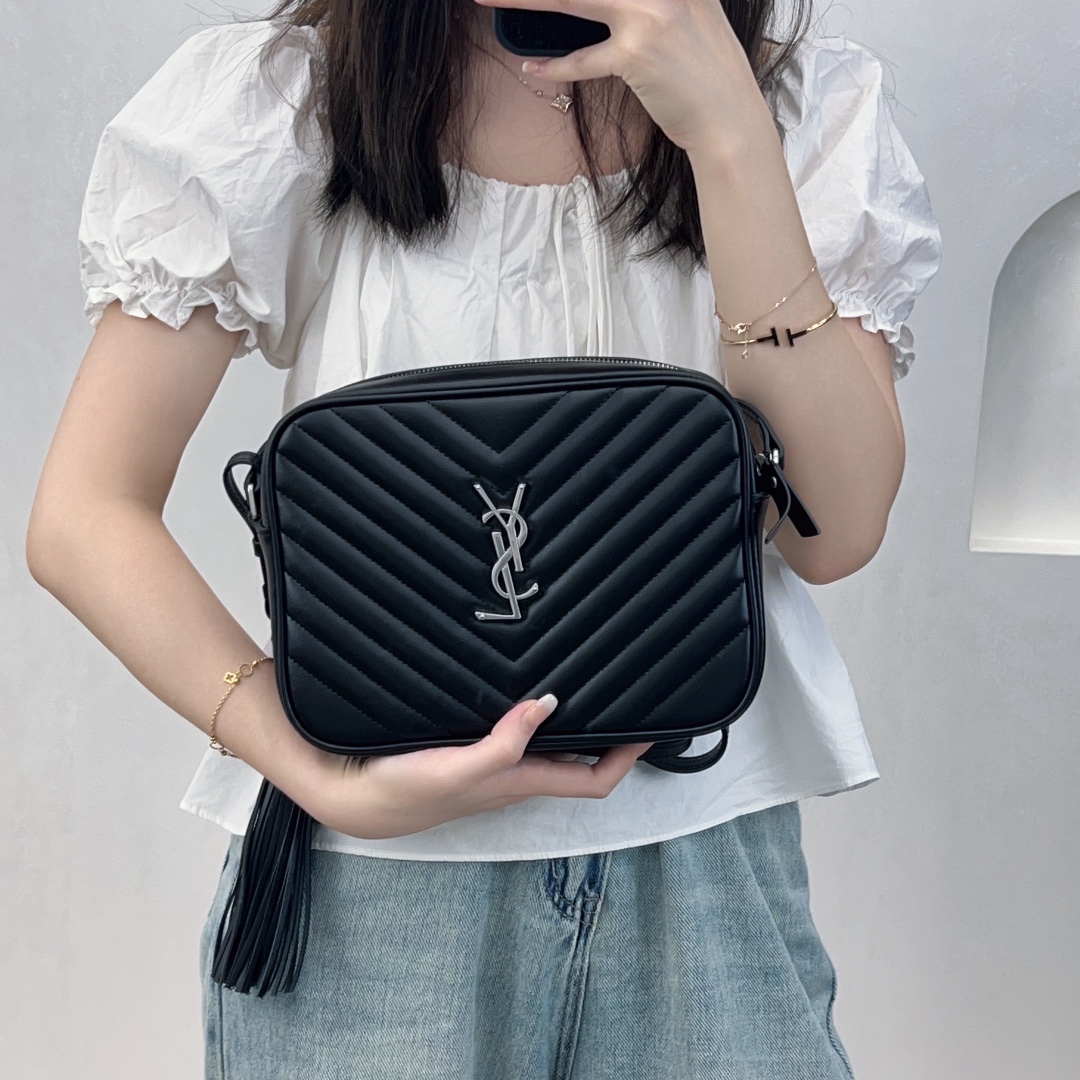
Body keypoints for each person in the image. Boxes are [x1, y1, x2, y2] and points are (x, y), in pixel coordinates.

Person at [26, 0, 941, 1076]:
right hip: (370, 886)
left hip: (707, 867)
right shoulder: (284, 101)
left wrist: (731, 135)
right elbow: (85, 513)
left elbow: (836, 527)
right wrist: (316, 773)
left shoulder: (798, 107)